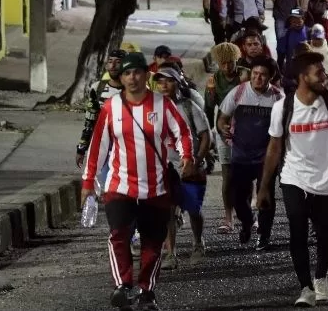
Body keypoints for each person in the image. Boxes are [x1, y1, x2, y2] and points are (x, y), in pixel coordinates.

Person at [81, 52, 194, 311]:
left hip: (156, 189)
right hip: (120, 186)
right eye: (127, 73)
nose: (132, 78)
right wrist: (88, 182)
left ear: (146, 75)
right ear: (120, 78)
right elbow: (98, 145)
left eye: (137, 72)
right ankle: (123, 285)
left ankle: (146, 290)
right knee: (118, 236)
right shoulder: (111, 107)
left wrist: (187, 156)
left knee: (153, 242)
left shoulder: (163, 105)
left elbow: (183, 133)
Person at [258, 51, 328, 307]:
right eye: (319, 72)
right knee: (297, 229)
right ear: (302, 77)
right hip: (293, 177)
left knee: (326, 234)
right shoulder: (283, 107)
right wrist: (264, 187)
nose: (324, 76)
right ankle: (306, 288)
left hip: (326, 179)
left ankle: (321, 276)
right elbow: (274, 148)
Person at [216, 58, 284, 251]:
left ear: (270, 77)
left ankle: (264, 234)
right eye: (254, 74)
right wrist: (223, 129)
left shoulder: (279, 98)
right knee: (238, 197)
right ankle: (247, 222)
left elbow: (286, 127)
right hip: (241, 155)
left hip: (266, 157)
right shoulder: (238, 92)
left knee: (266, 196)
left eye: (262, 75)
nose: (257, 78)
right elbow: (222, 118)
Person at [154, 67, 211, 270]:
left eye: (168, 81)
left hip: (191, 167)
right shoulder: (153, 109)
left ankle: (198, 243)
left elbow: (206, 136)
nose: (164, 86)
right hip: (166, 167)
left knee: (193, 207)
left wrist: (196, 161)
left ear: (178, 83)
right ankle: (171, 253)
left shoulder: (189, 107)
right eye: (160, 82)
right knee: (168, 209)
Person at [205, 42, 242, 234]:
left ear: (237, 60)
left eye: (230, 62)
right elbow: (208, 109)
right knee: (227, 176)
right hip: (224, 130)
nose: (227, 67)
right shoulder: (214, 80)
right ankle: (228, 217)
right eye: (223, 63)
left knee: (248, 174)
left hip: (247, 131)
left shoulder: (246, 75)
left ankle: (249, 214)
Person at [77, 49, 126, 166]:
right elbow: (90, 120)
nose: (113, 65)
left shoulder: (134, 90)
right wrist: (81, 148)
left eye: (118, 62)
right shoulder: (97, 88)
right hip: (102, 145)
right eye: (110, 61)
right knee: (103, 182)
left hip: (126, 147)